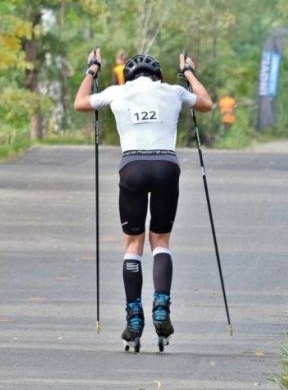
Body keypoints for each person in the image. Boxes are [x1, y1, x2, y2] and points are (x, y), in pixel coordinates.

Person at [73, 49, 213, 352]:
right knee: (160, 240)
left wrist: (92, 69)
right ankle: (161, 306)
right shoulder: (174, 91)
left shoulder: (117, 92)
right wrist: (188, 72)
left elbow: (80, 103)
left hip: (132, 168)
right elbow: (206, 104)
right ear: (158, 75)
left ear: (129, 75)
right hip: (166, 166)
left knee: (132, 244)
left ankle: (134, 316)